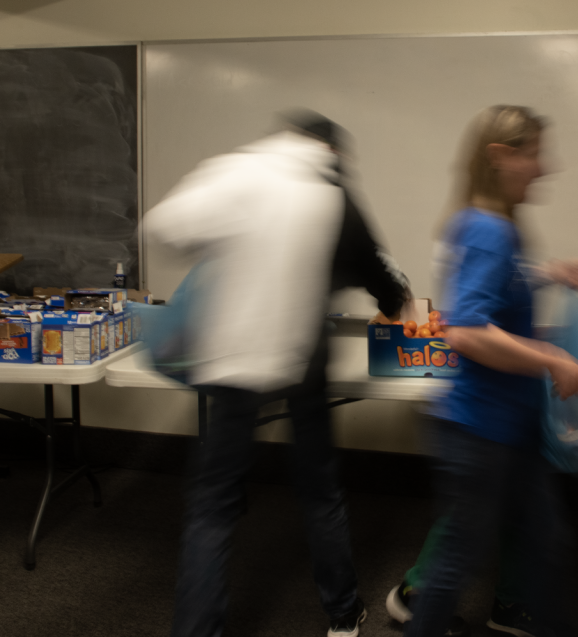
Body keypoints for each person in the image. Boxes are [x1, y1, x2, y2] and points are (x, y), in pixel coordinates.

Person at [145, 110, 411, 637]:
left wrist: (223, 251)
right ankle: (342, 613)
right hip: (301, 357)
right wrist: (391, 299)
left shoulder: (236, 170)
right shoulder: (330, 191)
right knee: (319, 489)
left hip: (230, 358)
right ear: (331, 151)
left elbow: (164, 227)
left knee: (213, 506)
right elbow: (378, 275)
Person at [399, 105, 578, 637]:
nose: (545, 166)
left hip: (507, 425)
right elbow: (465, 331)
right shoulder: (491, 229)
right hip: (481, 431)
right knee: (456, 563)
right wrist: (551, 357)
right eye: (534, 153)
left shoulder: (483, 222)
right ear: (500, 156)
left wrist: (550, 273)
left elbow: (497, 285)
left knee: (546, 542)